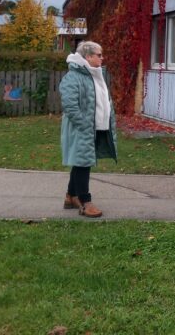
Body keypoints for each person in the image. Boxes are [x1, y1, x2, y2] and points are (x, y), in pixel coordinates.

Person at [59, 41, 117, 218]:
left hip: (94, 126)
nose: (102, 58)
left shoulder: (94, 74)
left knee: (81, 161)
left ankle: (71, 196)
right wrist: (84, 124)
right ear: (88, 56)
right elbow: (69, 104)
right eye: (99, 55)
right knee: (83, 162)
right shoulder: (74, 76)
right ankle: (85, 202)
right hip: (81, 127)